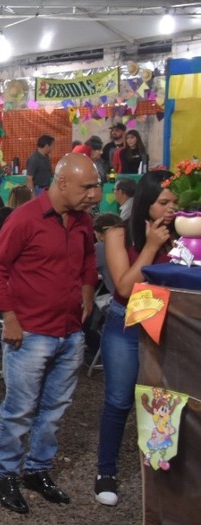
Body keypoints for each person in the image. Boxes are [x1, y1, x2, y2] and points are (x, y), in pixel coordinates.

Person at [0, 153, 101, 514]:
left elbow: (87, 261)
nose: (95, 194)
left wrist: (86, 290)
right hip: (30, 333)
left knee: (54, 409)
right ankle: (5, 474)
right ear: (62, 183)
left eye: (96, 186)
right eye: (88, 187)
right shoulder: (24, 219)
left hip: (70, 332)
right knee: (20, 409)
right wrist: (10, 317)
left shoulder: (82, 221)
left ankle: (37, 470)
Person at [94, 171, 176, 506]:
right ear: (146, 203)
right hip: (126, 324)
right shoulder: (117, 234)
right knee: (118, 401)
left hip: (168, 325)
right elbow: (125, 287)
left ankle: (162, 473)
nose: (172, 210)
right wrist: (153, 246)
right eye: (164, 202)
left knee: (165, 404)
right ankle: (105, 472)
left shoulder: (184, 235)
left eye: (176, 203)